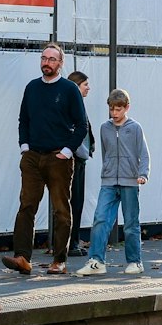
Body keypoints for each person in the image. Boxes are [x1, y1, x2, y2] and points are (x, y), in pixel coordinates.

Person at [5, 44, 89, 276]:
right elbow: (24, 119)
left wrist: (67, 151)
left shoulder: (69, 89)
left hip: (58, 158)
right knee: (27, 206)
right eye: (44, 58)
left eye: (52, 59)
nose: (47, 62)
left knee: (61, 209)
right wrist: (24, 146)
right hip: (33, 157)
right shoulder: (32, 88)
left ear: (60, 63)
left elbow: (82, 125)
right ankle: (22, 257)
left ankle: (59, 260)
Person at [77, 88, 148, 277]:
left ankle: (135, 261)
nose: (115, 113)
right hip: (108, 181)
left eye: (118, 109)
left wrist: (143, 174)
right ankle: (97, 261)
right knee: (100, 218)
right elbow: (106, 152)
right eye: (111, 109)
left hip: (130, 181)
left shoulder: (135, 128)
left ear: (127, 108)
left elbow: (143, 153)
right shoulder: (104, 128)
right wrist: (107, 170)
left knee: (131, 223)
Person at [65, 70, 95, 260]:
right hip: (74, 159)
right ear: (76, 86)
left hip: (77, 158)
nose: (88, 88)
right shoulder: (72, 106)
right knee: (73, 203)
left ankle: (72, 242)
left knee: (76, 203)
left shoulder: (74, 105)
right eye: (85, 84)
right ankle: (71, 243)